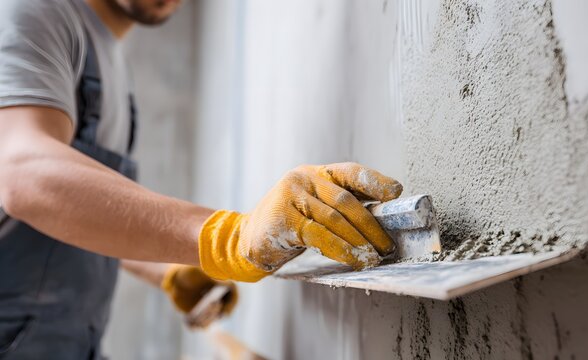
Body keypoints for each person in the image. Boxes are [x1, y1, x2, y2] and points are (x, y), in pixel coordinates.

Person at [0, 0, 403, 358]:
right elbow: (25, 174)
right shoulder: (36, 12)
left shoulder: (110, 59)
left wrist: (167, 272)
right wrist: (228, 238)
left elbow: (70, 212)